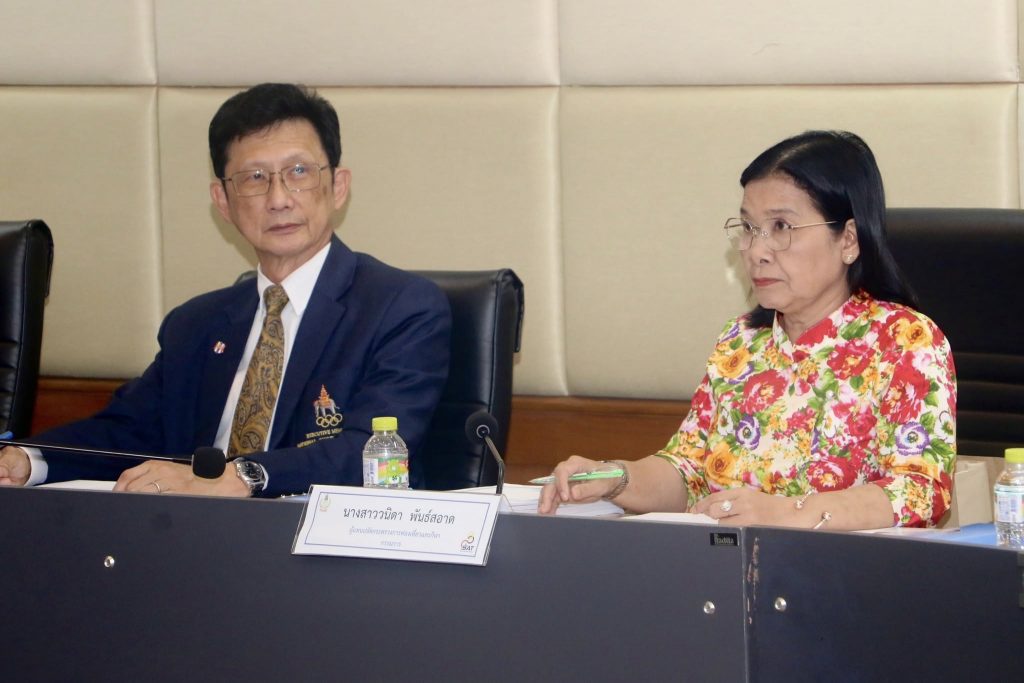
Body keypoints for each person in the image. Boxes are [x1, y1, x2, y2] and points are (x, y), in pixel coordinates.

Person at [0, 83, 451, 497]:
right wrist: (28, 459)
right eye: (254, 178)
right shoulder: (195, 324)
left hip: (322, 544)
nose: (279, 198)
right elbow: (126, 432)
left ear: (337, 187)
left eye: (299, 171)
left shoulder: (399, 308)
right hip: (191, 537)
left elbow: (372, 451)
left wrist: (243, 476)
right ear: (223, 203)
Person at [538, 130, 956, 529]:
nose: (756, 251)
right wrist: (614, 478)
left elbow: (920, 491)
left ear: (848, 239)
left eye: (781, 227)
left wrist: (786, 512)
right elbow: (688, 472)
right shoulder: (741, 342)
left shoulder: (905, 341)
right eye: (749, 228)